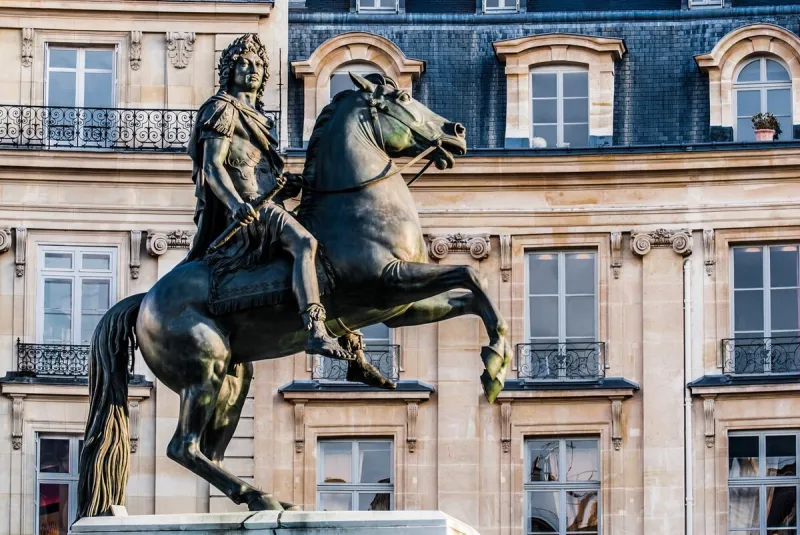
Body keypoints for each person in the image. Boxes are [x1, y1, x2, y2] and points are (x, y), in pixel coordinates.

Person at [185, 33, 348, 360]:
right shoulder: (223, 109)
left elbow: (261, 173)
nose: (252, 69)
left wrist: (285, 186)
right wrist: (235, 205)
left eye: (258, 64)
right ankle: (315, 330)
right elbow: (213, 166)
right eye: (244, 63)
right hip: (252, 212)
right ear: (230, 70)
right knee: (306, 243)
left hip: (267, 202)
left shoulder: (262, 119)